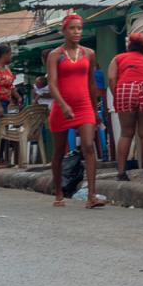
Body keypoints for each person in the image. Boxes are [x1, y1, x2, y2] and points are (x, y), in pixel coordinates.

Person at [46, 13, 102, 208]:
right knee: (59, 152)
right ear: (64, 31)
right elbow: (52, 84)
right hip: (62, 107)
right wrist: (63, 105)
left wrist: (95, 111)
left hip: (84, 105)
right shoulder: (56, 55)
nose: (76, 32)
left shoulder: (89, 53)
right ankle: (59, 192)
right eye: (72, 28)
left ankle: (92, 195)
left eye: (79, 28)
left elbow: (91, 84)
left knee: (88, 145)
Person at [107, 34, 143, 182]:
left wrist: (118, 96)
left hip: (126, 88)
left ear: (128, 46)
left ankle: (121, 173)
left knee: (126, 133)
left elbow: (112, 79)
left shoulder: (118, 58)